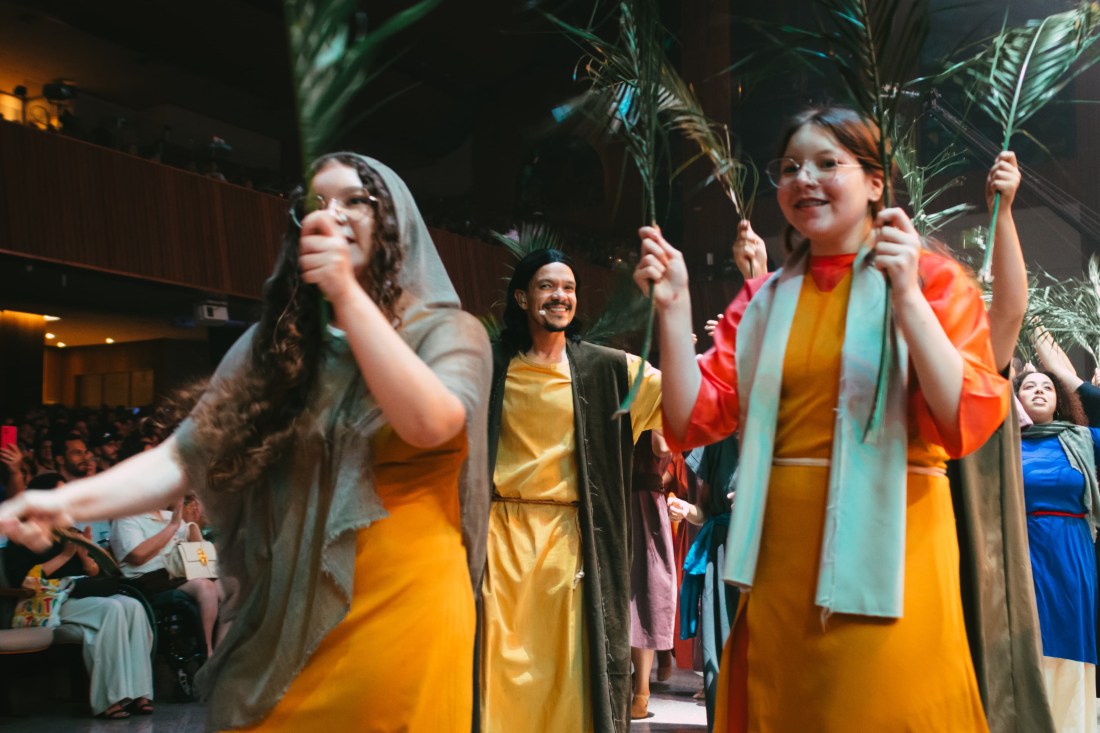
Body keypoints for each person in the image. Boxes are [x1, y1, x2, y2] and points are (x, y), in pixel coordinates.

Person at [0, 153, 491, 732]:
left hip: (406, 609)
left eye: (354, 200)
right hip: (291, 611)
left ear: (396, 222)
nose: (330, 214)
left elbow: (431, 423)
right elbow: (181, 456)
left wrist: (346, 294)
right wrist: (64, 501)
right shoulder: (278, 347)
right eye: (316, 203)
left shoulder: (449, 331)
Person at [634, 105, 1007, 730]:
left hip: (895, 548)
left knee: (885, 707)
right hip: (783, 553)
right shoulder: (763, 299)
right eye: (789, 168)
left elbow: (961, 420)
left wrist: (907, 295)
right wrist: (673, 310)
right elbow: (691, 418)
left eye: (826, 163)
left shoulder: (935, 280)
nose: (803, 179)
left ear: (875, 182)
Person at [481, 247, 662, 731]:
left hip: (572, 546)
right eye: (546, 286)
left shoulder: (609, 371)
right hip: (501, 543)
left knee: (571, 674)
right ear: (522, 297)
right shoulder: (490, 366)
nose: (560, 296)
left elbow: (693, 402)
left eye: (569, 288)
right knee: (498, 670)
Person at [3, 476, 155, 720]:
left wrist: (85, 556)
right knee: (112, 609)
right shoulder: (22, 536)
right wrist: (65, 555)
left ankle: (140, 692)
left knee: (133, 606)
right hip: (46, 603)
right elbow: (25, 581)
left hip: (78, 596)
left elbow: (93, 572)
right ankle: (110, 699)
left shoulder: (67, 533)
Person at [1015, 369, 1100, 731]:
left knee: (1070, 633)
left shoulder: (1082, 439)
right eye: (1029, 386)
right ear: (1015, 399)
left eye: (1047, 387)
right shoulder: (1001, 444)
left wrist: (1084, 386)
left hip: (1072, 550)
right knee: (1026, 635)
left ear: (1060, 400)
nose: (1038, 391)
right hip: (1022, 548)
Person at [110, 499, 218, 659]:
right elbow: (138, 556)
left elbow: (198, 557)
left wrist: (192, 525)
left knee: (230, 587)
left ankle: (223, 648)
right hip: (149, 579)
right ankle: (208, 653)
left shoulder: (169, 516)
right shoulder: (127, 518)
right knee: (205, 587)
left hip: (180, 574)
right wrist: (173, 526)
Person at [628, 430, 676, 720]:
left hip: (646, 509)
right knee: (627, 600)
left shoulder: (653, 417)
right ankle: (631, 688)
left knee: (645, 596)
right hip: (622, 504)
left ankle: (641, 692)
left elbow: (663, 446)